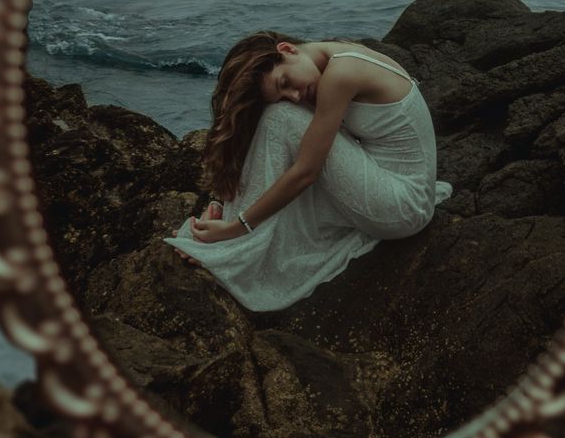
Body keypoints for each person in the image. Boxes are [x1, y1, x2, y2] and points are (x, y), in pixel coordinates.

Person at [164, 31, 453, 311]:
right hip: (397, 190)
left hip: (402, 205)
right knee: (281, 115)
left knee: (280, 117)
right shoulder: (334, 54)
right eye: (284, 92)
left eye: (286, 81)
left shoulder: (340, 76)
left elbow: (306, 172)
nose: (294, 94)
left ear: (287, 49)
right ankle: (223, 217)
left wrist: (236, 227)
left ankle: (231, 240)